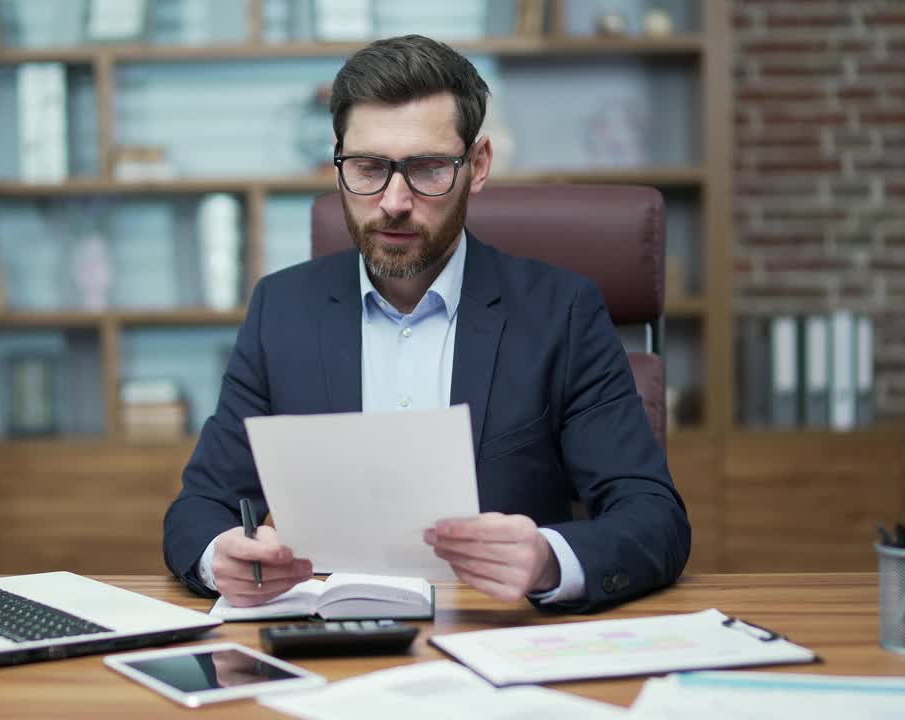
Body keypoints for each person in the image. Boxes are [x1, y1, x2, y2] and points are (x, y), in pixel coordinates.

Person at [164, 34, 689, 613]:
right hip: (328, 649)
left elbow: (653, 516)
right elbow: (198, 510)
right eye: (367, 168)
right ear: (338, 160)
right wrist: (222, 556)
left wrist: (547, 558)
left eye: (428, 168)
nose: (392, 200)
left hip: (501, 645)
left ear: (478, 166)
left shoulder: (560, 312)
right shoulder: (281, 311)